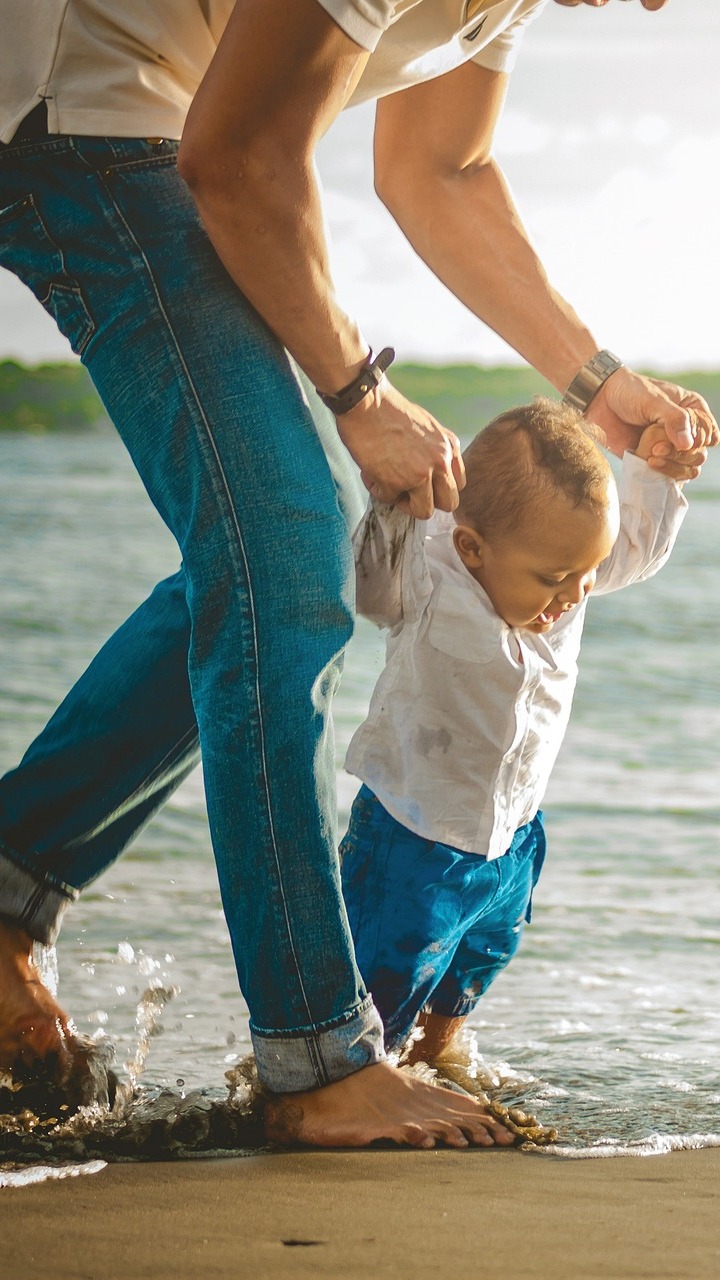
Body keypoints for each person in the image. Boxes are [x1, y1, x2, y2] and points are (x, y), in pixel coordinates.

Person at [0, 0, 716, 1150]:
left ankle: (9, 886)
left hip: (149, 120)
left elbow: (445, 166)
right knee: (289, 548)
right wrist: (359, 395)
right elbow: (237, 157)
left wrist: (598, 385)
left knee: (284, 559)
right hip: (72, 115)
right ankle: (315, 1057)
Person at [341, 398, 704, 1063]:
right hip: (412, 841)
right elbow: (366, 590)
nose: (574, 596)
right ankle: (358, 1081)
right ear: (472, 548)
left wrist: (660, 472)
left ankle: (439, 1061)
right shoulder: (428, 570)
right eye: (555, 580)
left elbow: (635, 548)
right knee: (383, 986)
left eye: (588, 576)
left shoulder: (567, 571)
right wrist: (393, 502)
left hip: (512, 838)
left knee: (478, 962)